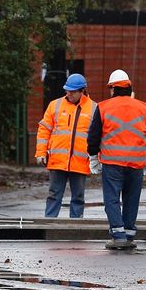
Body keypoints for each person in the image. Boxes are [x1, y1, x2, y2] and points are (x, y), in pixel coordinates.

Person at [87, 69, 146, 250]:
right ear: (129, 88)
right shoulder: (143, 107)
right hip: (136, 162)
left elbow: (94, 135)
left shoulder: (103, 107)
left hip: (112, 162)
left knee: (112, 199)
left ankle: (118, 235)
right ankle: (129, 234)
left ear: (112, 89)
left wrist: (93, 157)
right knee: (131, 199)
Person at [35, 73, 97, 218]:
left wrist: (96, 159)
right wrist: (40, 152)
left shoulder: (94, 109)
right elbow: (44, 129)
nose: (68, 93)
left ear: (82, 91)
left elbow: (97, 137)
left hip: (80, 162)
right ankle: (49, 224)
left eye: (72, 91)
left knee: (78, 198)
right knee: (54, 195)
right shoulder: (55, 105)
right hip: (58, 161)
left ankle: (75, 227)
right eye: (67, 90)